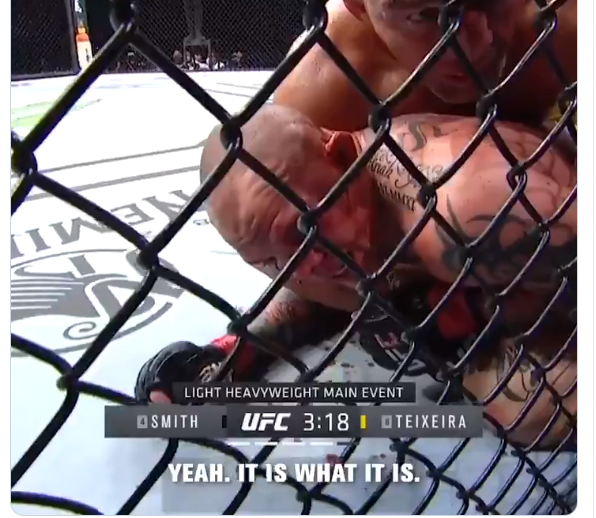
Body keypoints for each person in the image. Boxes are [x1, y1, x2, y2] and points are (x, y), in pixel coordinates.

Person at [135, 105, 576, 448]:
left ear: (344, 156)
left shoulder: (462, 213)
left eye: (302, 231)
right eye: (268, 261)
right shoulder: (319, 217)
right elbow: (307, 270)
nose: (299, 269)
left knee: (523, 407)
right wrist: (238, 348)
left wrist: (475, 325)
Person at [274, 0, 577, 130]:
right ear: (359, 6)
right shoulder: (323, 88)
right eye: (425, 15)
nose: (476, 41)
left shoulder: (566, 0)